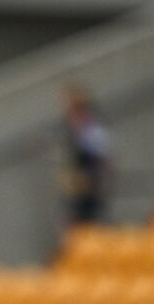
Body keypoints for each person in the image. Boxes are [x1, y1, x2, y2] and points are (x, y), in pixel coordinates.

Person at [61, 82, 111, 224]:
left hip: (89, 187)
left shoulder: (90, 129)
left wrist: (92, 180)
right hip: (78, 188)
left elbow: (101, 158)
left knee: (90, 222)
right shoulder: (74, 129)